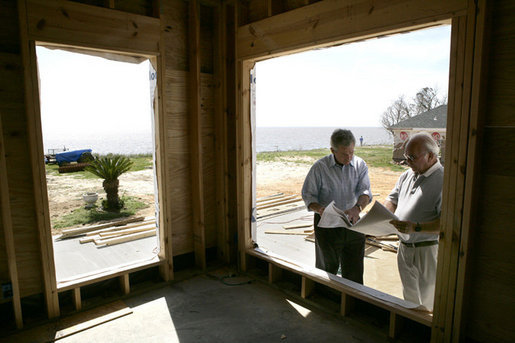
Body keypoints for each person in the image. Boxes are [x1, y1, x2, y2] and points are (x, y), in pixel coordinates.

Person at [301, 129, 372, 283]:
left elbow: (365, 192)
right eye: (344, 154)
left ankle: (352, 303)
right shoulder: (320, 167)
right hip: (327, 224)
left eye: (351, 153)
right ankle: (327, 301)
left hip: (353, 222)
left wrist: (357, 208)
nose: (349, 158)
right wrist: (319, 209)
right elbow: (308, 195)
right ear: (332, 150)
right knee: (327, 269)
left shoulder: (360, 165)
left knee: (354, 269)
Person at [384, 132, 443, 311]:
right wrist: (386, 215)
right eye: (406, 156)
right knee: (409, 300)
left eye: (412, 157)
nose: (407, 161)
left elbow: (446, 223)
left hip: (427, 249)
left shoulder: (444, 180)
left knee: (428, 301)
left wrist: (415, 227)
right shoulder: (407, 175)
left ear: (431, 156)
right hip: (404, 247)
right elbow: (392, 199)